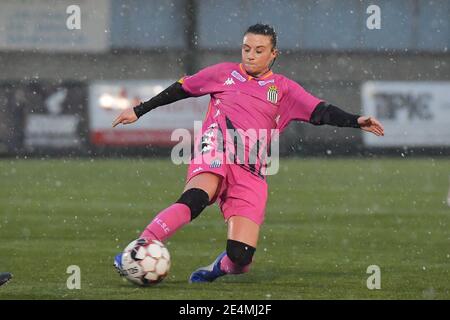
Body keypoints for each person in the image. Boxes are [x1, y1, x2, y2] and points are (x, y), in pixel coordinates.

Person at [112, 23, 384, 283]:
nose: (251, 55)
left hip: (251, 171)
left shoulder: (284, 89)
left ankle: (217, 268)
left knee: (241, 259)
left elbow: (320, 110)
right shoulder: (223, 73)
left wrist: (355, 120)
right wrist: (139, 110)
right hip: (215, 151)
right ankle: (138, 249)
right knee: (195, 199)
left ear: (273, 54)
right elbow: (182, 88)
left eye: (259, 50)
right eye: (246, 48)